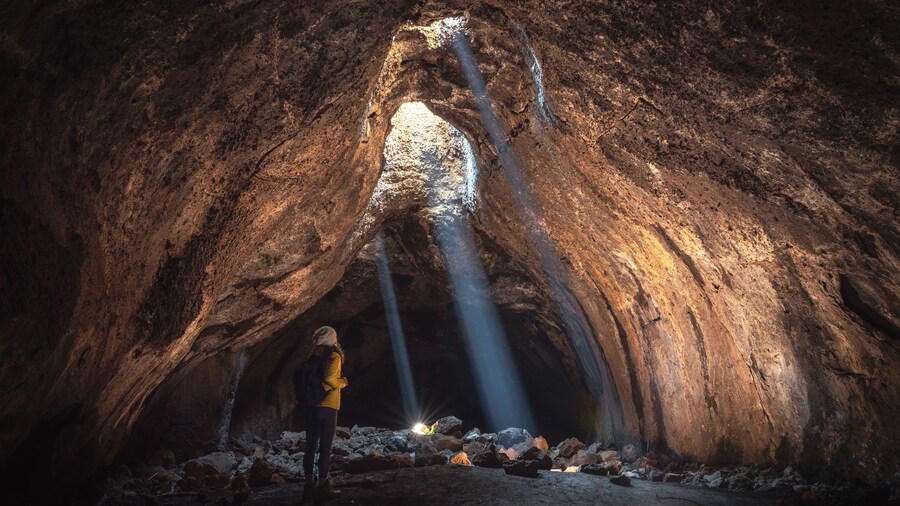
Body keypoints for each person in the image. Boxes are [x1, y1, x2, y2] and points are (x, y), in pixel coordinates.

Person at [302, 326, 348, 502]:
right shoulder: (334, 355)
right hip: (327, 406)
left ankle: (308, 487)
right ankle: (322, 486)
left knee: (310, 446)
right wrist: (342, 382)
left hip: (312, 406)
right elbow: (330, 379)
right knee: (326, 447)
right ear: (333, 339)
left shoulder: (313, 356)